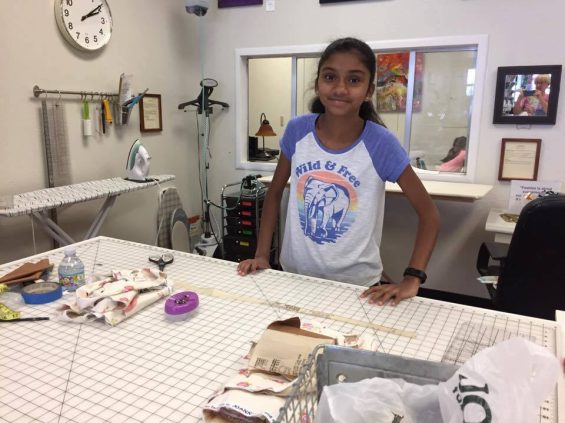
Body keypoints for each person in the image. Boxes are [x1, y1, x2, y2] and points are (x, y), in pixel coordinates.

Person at [237, 37, 440, 306]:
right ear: (318, 83)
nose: (340, 88)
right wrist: (263, 254)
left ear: (369, 90)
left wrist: (412, 278)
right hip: (294, 276)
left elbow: (430, 215)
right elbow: (273, 194)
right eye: (330, 77)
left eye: (354, 80)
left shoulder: (381, 143)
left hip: (356, 287)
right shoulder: (298, 131)